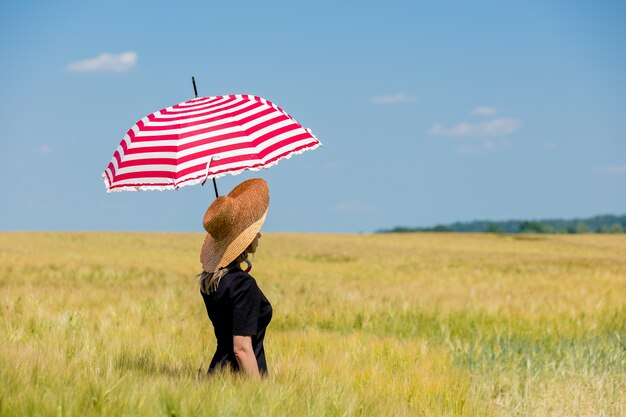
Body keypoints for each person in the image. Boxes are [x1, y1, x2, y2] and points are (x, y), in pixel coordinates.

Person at [198, 178, 272, 378]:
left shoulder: (209, 280)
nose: (259, 236)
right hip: (241, 381)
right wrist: (259, 395)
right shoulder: (242, 285)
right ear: (242, 239)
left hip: (217, 378)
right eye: (253, 230)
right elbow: (241, 349)